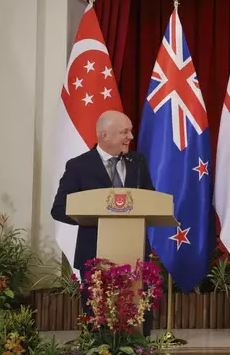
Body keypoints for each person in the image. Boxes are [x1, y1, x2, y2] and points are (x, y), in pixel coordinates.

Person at [51, 110, 155, 337]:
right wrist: (98, 217)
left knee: (137, 321)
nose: (130, 137)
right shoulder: (78, 166)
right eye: (124, 132)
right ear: (104, 135)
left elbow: (151, 201)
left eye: (130, 131)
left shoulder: (137, 163)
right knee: (98, 323)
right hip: (93, 256)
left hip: (134, 255)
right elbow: (58, 209)